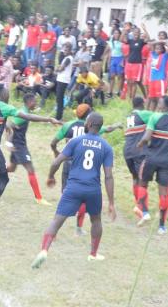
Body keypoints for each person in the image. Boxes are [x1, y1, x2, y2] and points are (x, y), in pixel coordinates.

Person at [31, 112, 116, 269]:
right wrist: (111, 202)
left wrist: (50, 176)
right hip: (93, 189)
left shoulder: (76, 141)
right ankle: (93, 254)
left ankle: (44, 250)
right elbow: (109, 176)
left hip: (73, 188)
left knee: (57, 220)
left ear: (89, 124)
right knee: (96, 220)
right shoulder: (106, 147)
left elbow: (57, 161)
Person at [0, 84, 61, 224]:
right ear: (1, 94)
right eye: (6, 91)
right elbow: (27, 116)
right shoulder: (4, 106)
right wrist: (48, 119)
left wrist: (5, 126)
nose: (8, 93)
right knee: (4, 179)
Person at [50, 104, 121, 235]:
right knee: (83, 198)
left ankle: (53, 231)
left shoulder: (68, 125)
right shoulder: (95, 127)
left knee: (67, 195)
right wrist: (117, 125)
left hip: (69, 163)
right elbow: (108, 128)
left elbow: (53, 142)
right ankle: (78, 228)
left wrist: (56, 152)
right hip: (86, 169)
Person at [136, 96, 168, 234]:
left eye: (159, 103)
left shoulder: (155, 117)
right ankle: (162, 226)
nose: (158, 104)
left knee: (142, 183)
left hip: (151, 158)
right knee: (163, 193)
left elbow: (146, 138)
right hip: (167, 161)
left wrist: (140, 144)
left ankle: (145, 212)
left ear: (164, 107)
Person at [5, 93, 52, 206]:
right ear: (29, 102)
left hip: (20, 144)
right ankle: (39, 198)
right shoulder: (23, 113)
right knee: (30, 169)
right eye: (34, 101)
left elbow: (32, 118)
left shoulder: (26, 112)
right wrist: (8, 142)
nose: (36, 103)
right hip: (19, 146)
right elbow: (9, 125)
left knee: (11, 168)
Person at [123, 97, 153, 224]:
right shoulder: (145, 114)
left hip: (127, 151)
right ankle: (143, 210)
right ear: (143, 103)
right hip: (139, 151)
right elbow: (159, 118)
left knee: (135, 178)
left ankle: (138, 204)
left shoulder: (129, 116)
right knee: (143, 180)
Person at [123, 24, 150, 100]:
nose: (136, 34)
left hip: (137, 64)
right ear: (133, 33)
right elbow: (121, 39)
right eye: (135, 32)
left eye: (138, 32)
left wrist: (145, 29)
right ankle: (129, 97)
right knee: (128, 81)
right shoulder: (130, 41)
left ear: (139, 33)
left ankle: (133, 98)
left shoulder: (141, 41)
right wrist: (125, 30)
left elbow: (148, 39)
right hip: (129, 63)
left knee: (134, 82)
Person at [147, 42, 168, 111]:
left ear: (162, 50)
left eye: (159, 49)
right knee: (152, 98)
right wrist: (159, 41)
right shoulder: (153, 55)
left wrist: (163, 42)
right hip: (152, 79)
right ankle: (152, 114)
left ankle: (159, 113)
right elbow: (151, 44)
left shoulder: (164, 56)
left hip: (160, 79)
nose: (158, 50)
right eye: (156, 48)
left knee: (160, 98)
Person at [55, 43, 74, 120]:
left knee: (60, 99)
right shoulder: (66, 58)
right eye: (64, 50)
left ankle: (58, 117)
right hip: (61, 79)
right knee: (59, 98)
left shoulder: (68, 58)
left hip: (63, 80)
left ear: (70, 50)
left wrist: (57, 69)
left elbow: (61, 68)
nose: (64, 51)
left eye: (66, 50)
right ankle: (58, 116)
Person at [105, 29, 124, 97]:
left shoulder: (121, 42)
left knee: (119, 76)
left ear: (120, 34)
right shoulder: (111, 42)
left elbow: (124, 52)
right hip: (113, 59)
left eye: (117, 33)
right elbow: (109, 52)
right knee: (112, 76)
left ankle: (119, 91)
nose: (116, 34)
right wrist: (108, 63)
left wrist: (122, 61)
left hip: (119, 58)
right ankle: (110, 91)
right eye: (115, 33)